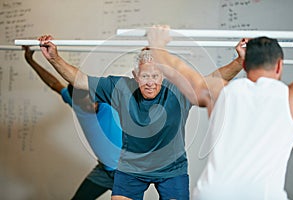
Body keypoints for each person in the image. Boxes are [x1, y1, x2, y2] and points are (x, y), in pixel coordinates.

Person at [37, 32, 245, 200]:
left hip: (171, 170)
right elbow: (80, 80)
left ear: (163, 76)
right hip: (131, 169)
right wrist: (55, 58)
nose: (150, 82)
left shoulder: (178, 88)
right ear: (135, 76)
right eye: (145, 76)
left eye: (155, 76)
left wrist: (240, 61)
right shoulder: (120, 87)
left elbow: (213, 81)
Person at [146, 25, 293, 200]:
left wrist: (157, 45)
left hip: (212, 194)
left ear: (245, 65)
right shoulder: (292, 97)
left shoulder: (220, 91)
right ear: (279, 65)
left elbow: (190, 81)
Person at [23, 46, 122, 200]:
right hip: (103, 170)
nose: (89, 106)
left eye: (91, 101)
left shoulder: (109, 102)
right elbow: (53, 83)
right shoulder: (76, 104)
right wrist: (30, 60)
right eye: (83, 104)